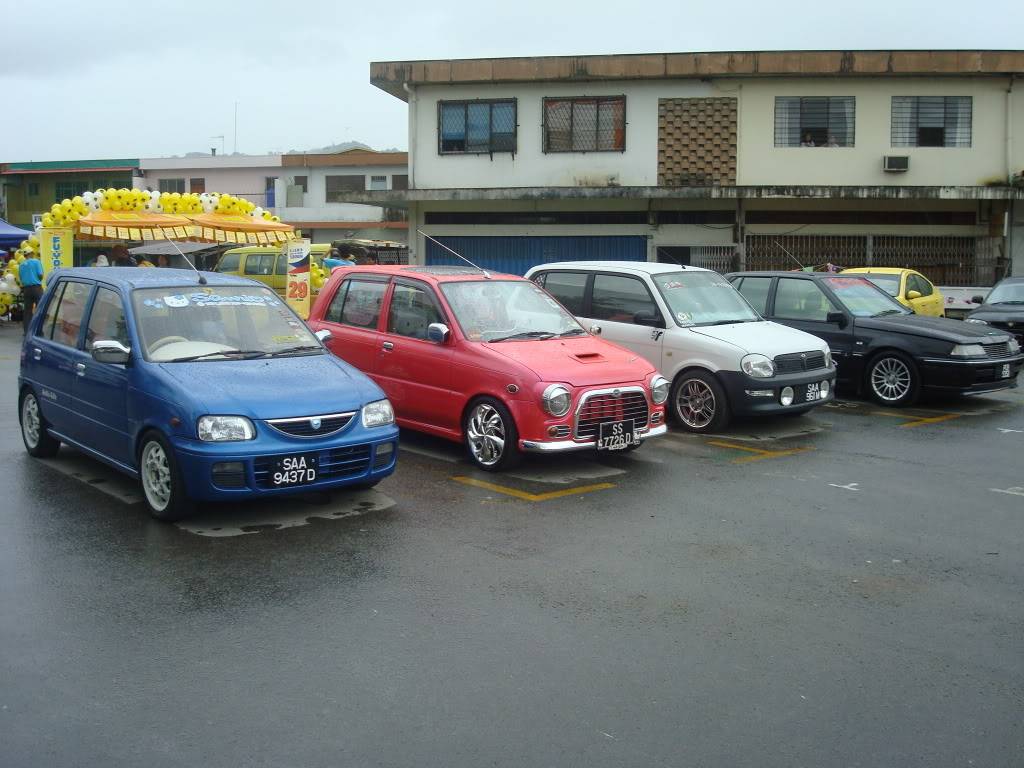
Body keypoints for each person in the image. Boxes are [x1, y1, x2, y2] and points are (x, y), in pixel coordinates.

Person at [18, 251, 44, 335]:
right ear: (31, 254)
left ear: (25, 256)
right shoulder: (36, 261)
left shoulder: (21, 265)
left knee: (27, 311)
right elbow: (40, 274)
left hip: (26, 289)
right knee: (40, 309)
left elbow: (21, 278)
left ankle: (27, 331)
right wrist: (38, 280)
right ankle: (38, 331)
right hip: (36, 288)